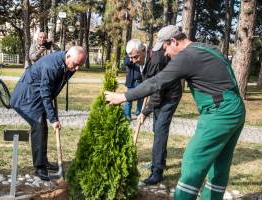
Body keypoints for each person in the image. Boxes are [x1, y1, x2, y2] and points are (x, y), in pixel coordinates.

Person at [105, 25, 245, 200]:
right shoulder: (207, 48)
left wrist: (124, 97)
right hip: (236, 108)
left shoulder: (187, 56)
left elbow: (157, 82)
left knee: (193, 160)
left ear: (173, 41)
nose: (165, 54)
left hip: (220, 112)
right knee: (220, 163)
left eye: (165, 48)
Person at [10, 46, 87, 181]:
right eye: (75, 64)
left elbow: (56, 84)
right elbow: (45, 93)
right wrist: (53, 118)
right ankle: (39, 168)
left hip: (37, 95)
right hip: (26, 97)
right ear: (68, 56)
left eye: (80, 65)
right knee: (39, 126)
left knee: (43, 127)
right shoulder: (51, 66)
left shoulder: (70, 64)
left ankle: (43, 161)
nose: (77, 68)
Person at [125, 39, 182, 185]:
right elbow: (148, 85)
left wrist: (144, 112)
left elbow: (157, 93)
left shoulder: (156, 61)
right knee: (157, 128)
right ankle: (159, 162)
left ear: (143, 50)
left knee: (160, 129)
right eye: (130, 57)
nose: (133, 61)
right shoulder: (143, 59)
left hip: (169, 96)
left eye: (135, 57)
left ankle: (157, 172)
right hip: (160, 94)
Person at [123, 53, 143, 120]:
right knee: (129, 99)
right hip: (132, 82)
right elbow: (126, 62)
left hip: (140, 81)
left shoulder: (142, 55)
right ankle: (127, 115)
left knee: (141, 99)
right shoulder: (129, 55)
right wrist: (132, 59)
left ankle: (139, 114)